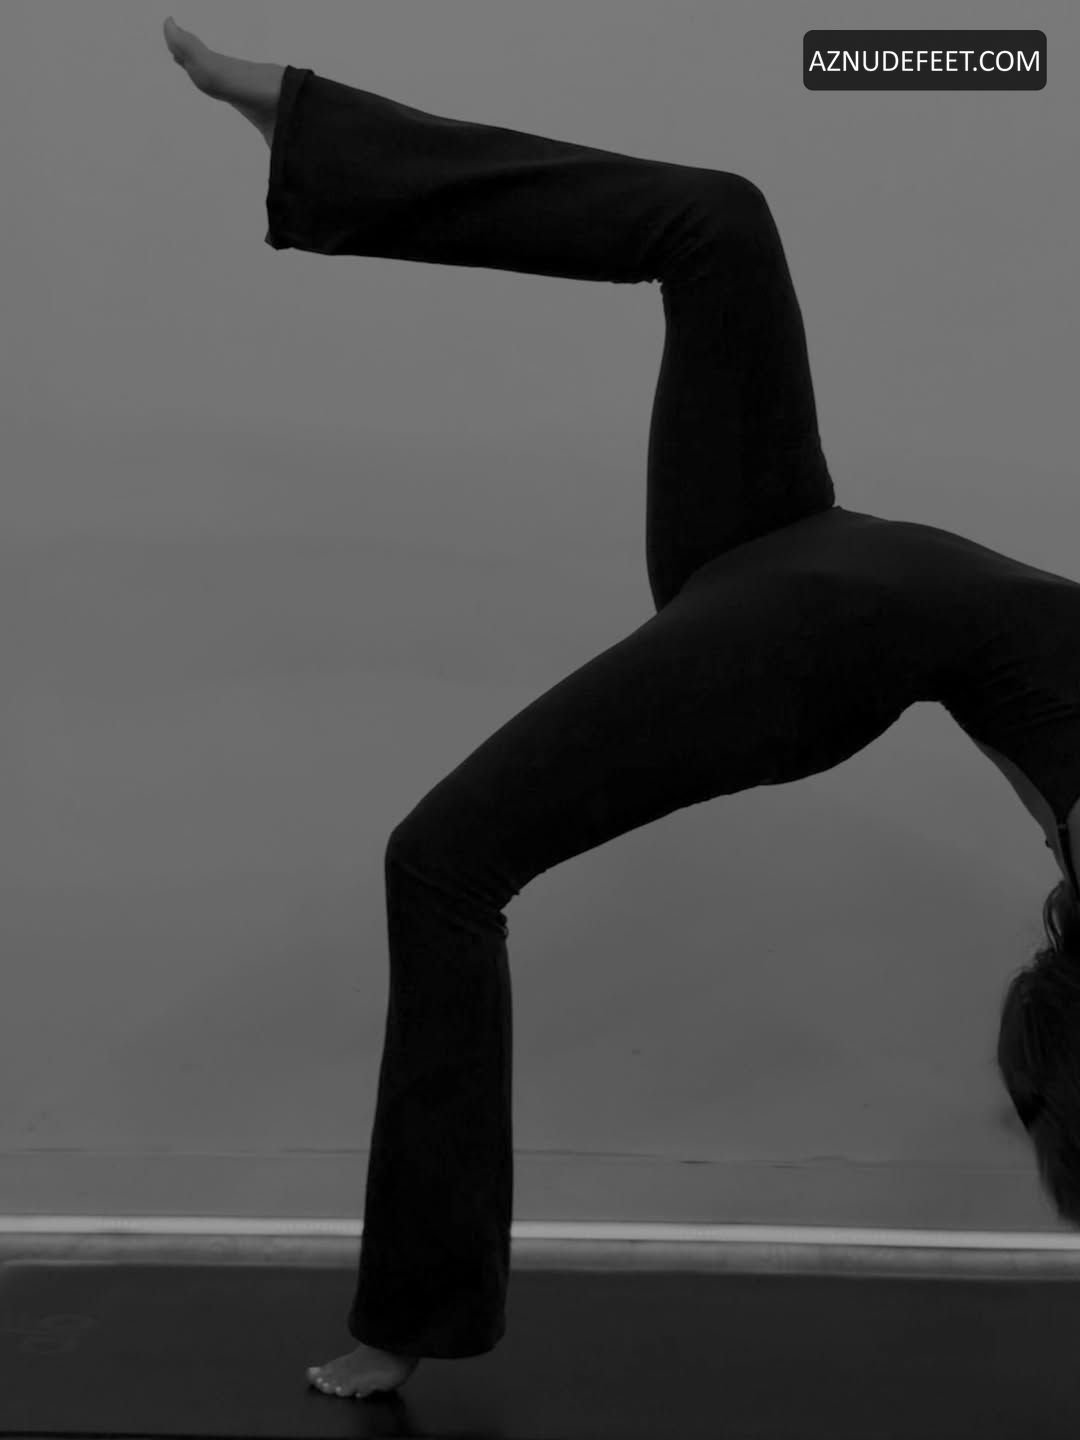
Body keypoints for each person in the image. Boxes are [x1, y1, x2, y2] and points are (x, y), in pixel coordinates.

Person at [162, 17, 1080, 1400]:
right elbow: (1019, 715)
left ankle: (409, 1313)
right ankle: (313, 140)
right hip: (784, 538)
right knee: (716, 222)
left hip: (808, 647)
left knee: (441, 863)